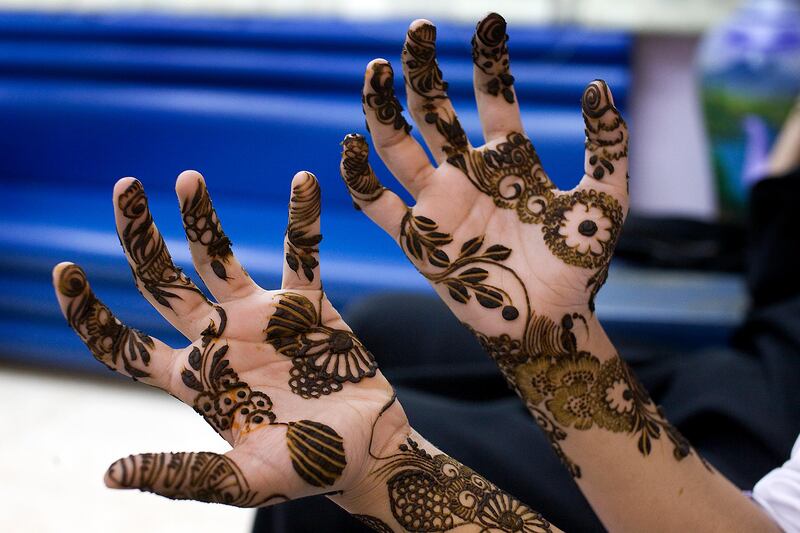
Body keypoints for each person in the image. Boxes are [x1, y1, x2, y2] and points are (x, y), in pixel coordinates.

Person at [54, 12, 794, 533]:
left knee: (324, 475)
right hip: (767, 367)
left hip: (760, 414)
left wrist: (380, 473)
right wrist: (550, 340)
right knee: (364, 335)